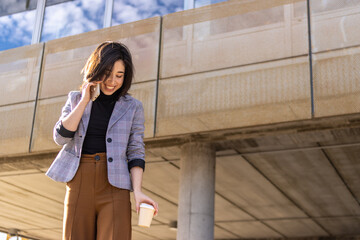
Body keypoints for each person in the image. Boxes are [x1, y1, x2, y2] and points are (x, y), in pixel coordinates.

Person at [46, 41, 158, 240]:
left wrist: (138, 191)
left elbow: (136, 151)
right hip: (79, 181)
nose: (112, 81)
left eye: (119, 75)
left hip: (116, 186)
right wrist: (84, 101)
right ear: (96, 70)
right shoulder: (75, 99)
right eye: (107, 73)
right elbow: (61, 137)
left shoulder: (133, 107)